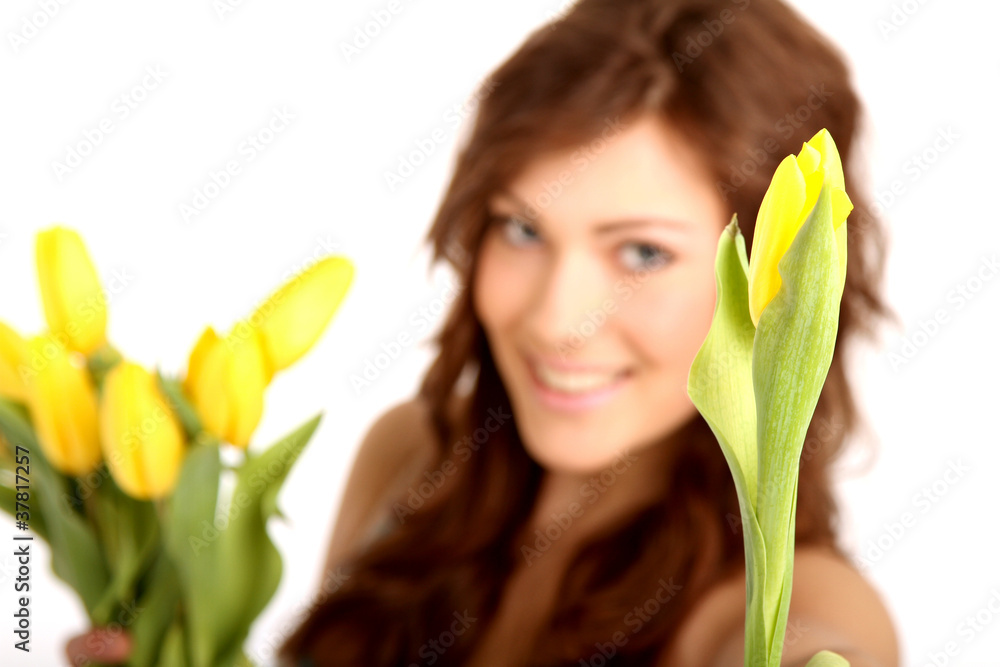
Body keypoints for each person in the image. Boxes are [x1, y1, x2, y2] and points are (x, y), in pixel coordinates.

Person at [68, 0, 899, 665]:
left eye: (642, 250)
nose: (556, 319)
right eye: (522, 229)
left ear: (783, 287)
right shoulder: (408, 458)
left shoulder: (798, 609)